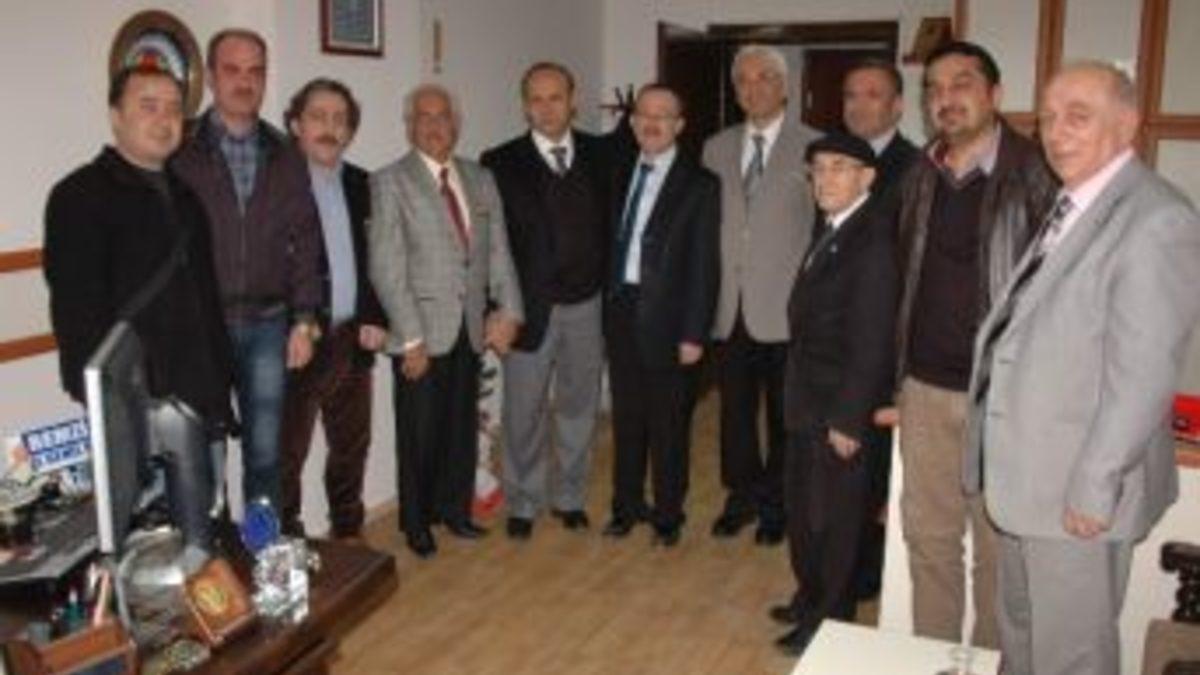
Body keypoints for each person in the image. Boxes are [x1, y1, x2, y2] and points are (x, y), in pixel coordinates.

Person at [967, 61, 1200, 675]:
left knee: (1071, 657)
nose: (1056, 132)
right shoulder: (1076, 202)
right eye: (1047, 118)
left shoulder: (1155, 218)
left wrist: (1096, 485)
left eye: (1078, 116)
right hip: (1030, 481)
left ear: (1127, 124)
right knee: (1021, 634)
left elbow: (1143, 375)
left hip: (1076, 492)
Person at [891, 41, 1058, 647]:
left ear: (995, 94)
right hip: (924, 391)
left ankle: (988, 663)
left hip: (1003, 397)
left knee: (997, 552)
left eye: (961, 83)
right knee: (929, 541)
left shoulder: (1038, 173)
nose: (945, 98)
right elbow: (901, 282)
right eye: (934, 88)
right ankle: (934, 658)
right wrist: (894, 382)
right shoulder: (918, 174)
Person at [44, 65, 233, 555]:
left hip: (198, 398)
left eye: (173, 109)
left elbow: (206, 301)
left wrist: (221, 387)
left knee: (204, 539)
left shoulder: (187, 196)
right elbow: (76, 312)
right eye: (148, 106)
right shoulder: (79, 196)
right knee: (145, 552)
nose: (164, 119)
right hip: (133, 406)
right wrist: (106, 402)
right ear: (116, 116)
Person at [369, 83, 524, 558]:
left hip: (469, 328)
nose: (434, 125)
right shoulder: (390, 181)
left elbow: (498, 251)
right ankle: (417, 523)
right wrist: (410, 338)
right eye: (424, 117)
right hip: (419, 331)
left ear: (456, 125)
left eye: (443, 117)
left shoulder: (480, 178)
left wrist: (510, 310)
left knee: (460, 428)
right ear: (409, 125)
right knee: (418, 433)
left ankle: (456, 511)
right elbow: (386, 266)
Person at [173, 29, 323, 511]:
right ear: (212, 76)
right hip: (200, 327)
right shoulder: (180, 149)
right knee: (202, 453)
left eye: (255, 71)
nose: (245, 81)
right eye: (232, 69)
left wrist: (305, 320)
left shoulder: (286, 154)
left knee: (265, 454)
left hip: (268, 325)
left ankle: (262, 546)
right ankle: (210, 547)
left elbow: (306, 240)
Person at [772, 130, 897, 655]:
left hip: (838, 408)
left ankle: (830, 618)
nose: (825, 179)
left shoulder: (873, 239)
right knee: (806, 512)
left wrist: (849, 417)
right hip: (809, 399)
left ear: (867, 177)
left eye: (839, 168)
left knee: (836, 521)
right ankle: (810, 597)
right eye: (818, 169)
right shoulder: (832, 226)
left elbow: (873, 338)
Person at [480, 62, 610, 539]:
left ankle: (570, 496)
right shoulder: (500, 161)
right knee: (524, 411)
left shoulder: (602, 154)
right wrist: (494, 309)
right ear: (525, 106)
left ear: (573, 101)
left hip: (588, 304)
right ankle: (523, 500)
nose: (547, 108)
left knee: (579, 407)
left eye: (556, 97)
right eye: (536, 99)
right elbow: (489, 244)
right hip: (527, 309)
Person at [702, 44, 820, 546]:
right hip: (729, 307)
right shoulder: (714, 148)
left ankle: (777, 504)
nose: (753, 88)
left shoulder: (814, 146)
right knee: (734, 415)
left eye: (764, 78)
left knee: (783, 416)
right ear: (735, 91)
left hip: (786, 309)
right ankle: (741, 497)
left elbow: (822, 231)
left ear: (785, 86)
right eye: (743, 81)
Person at [602, 84, 719, 546]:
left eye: (663, 116)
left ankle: (669, 514)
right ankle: (626, 506)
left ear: (679, 125)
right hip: (621, 311)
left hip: (670, 320)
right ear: (632, 122)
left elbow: (705, 265)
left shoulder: (701, 184)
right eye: (644, 115)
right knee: (627, 418)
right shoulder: (617, 171)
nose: (651, 123)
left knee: (668, 423)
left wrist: (694, 333)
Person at [278, 78, 388, 541]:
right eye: (318, 117)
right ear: (296, 125)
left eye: (340, 120)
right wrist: (292, 325)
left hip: (352, 336)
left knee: (351, 446)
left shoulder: (364, 183)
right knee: (286, 454)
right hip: (297, 340)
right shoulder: (275, 184)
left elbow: (378, 258)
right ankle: (288, 548)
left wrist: (376, 315)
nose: (330, 128)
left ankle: (348, 535)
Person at [840, 58, 919, 600]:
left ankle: (868, 574)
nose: (859, 105)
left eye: (873, 94)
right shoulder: (834, 159)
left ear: (898, 106)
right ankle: (838, 573)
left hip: (885, 341)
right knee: (840, 468)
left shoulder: (915, 168)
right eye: (851, 95)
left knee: (874, 468)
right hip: (838, 336)